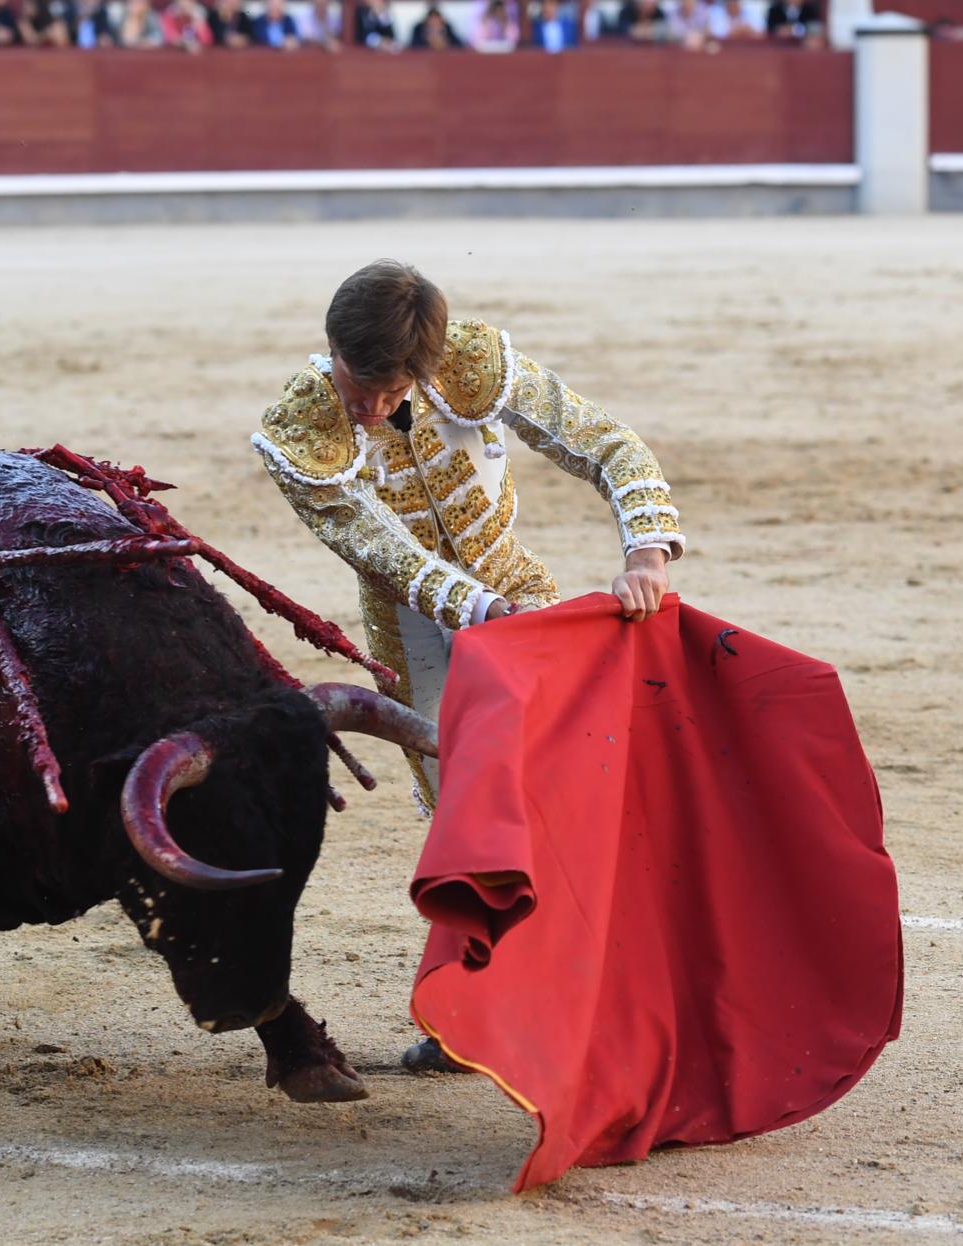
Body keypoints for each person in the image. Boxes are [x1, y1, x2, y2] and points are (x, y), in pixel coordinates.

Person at [252, 261, 682, 1070]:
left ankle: (602, 988)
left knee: (572, 794)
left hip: (524, 602)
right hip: (417, 637)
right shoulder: (296, 430)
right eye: (358, 383)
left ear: (426, 369)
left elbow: (607, 443)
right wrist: (487, 615)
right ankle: (486, 1009)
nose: (371, 408)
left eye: (392, 390)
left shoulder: (473, 363)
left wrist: (647, 550)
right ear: (331, 349)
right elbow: (381, 552)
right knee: (469, 820)